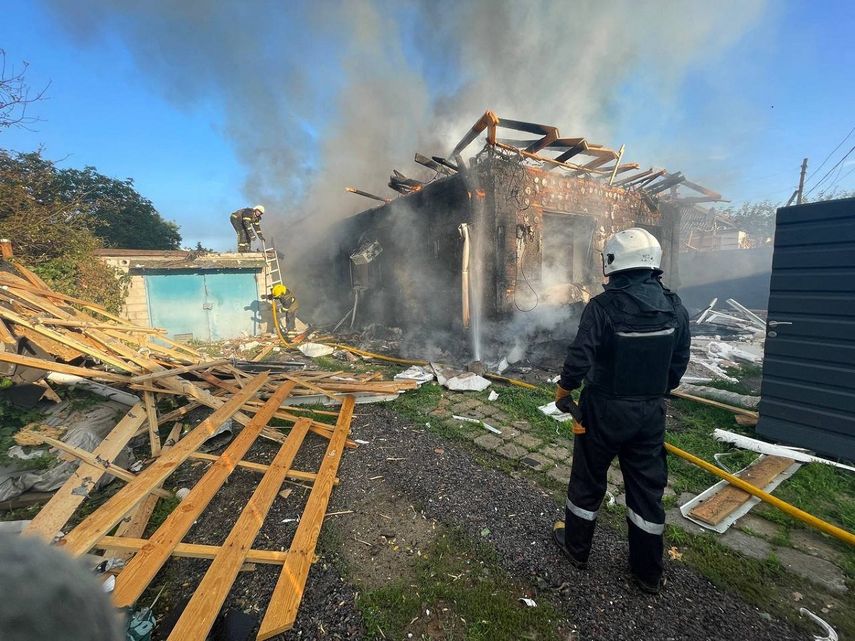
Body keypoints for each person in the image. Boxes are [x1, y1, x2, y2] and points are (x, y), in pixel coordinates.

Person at [552, 227, 690, 594]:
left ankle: (577, 549)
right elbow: (679, 361)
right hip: (649, 414)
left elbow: (579, 358)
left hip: (603, 411)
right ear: (652, 263)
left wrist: (564, 393)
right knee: (647, 489)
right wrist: (657, 392)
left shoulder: (603, 306)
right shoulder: (675, 306)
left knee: (588, 480)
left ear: (612, 262)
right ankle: (647, 572)